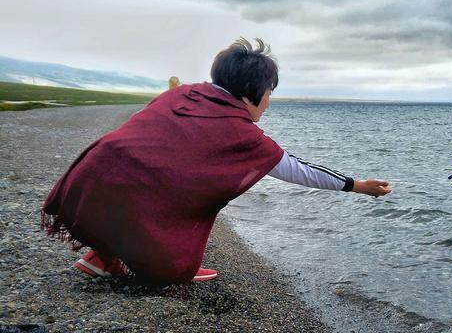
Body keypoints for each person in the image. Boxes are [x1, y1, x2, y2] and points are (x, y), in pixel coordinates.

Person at [41, 38, 391, 283]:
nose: (269, 103)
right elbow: (293, 168)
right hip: (123, 195)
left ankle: (101, 257)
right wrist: (355, 185)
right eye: (270, 94)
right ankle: (165, 264)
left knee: (156, 179)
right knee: (181, 198)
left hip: (85, 181)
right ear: (254, 92)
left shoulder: (183, 93)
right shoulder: (240, 131)